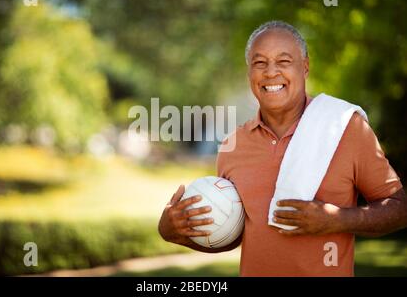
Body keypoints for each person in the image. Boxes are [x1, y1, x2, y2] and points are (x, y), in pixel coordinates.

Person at [158, 20, 407, 276]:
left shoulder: (344, 127)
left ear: (305, 67)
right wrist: (176, 232)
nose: (270, 72)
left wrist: (336, 220)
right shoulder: (233, 145)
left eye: (284, 61)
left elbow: (400, 208)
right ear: (249, 74)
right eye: (260, 63)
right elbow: (233, 234)